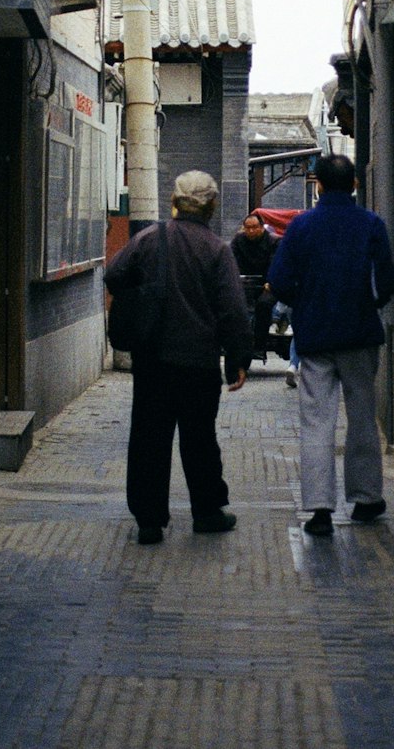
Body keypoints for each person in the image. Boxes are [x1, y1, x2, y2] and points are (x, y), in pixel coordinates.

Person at [105, 170, 252, 545]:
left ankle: (149, 522)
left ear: (175, 201)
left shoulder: (149, 238)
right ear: (211, 206)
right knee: (199, 438)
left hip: (152, 359)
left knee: (149, 438)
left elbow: (114, 274)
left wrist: (144, 298)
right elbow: (233, 310)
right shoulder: (217, 249)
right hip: (198, 361)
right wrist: (239, 357)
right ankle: (206, 512)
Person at [268, 152, 394, 536]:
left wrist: (302, 305)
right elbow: (387, 280)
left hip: (316, 336)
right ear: (355, 184)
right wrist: (368, 304)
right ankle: (366, 499)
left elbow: (279, 279)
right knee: (362, 417)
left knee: (316, 420)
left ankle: (320, 509)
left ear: (318, 185)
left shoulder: (301, 227)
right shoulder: (372, 225)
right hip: (359, 336)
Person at [230, 212, 277, 358]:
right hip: (243, 283)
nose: (251, 231)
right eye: (247, 228)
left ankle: (259, 344)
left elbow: (275, 264)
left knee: (264, 304)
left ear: (262, 227)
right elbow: (230, 261)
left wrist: (271, 281)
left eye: (255, 227)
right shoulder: (238, 240)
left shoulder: (273, 242)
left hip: (267, 284)